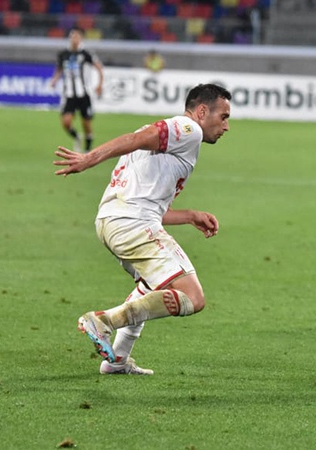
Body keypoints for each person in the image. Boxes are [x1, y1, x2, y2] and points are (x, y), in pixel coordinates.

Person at [53, 84, 232, 375]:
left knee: (153, 287)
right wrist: (89, 158)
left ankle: (118, 360)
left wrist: (189, 215)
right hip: (132, 223)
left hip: (114, 221)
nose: (226, 126)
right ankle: (102, 322)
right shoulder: (189, 129)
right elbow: (137, 139)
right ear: (202, 111)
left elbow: (148, 203)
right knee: (193, 297)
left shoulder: (175, 137)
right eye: (223, 116)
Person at [49, 27, 105, 153]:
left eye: (77, 36)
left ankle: (87, 149)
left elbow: (99, 68)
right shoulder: (63, 54)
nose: (74, 39)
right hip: (69, 94)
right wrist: (55, 80)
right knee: (66, 122)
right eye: (72, 36)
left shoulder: (86, 53)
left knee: (86, 124)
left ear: (81, 38)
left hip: (84, 94)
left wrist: (100, 84)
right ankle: (77, 137)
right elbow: (59, 69)